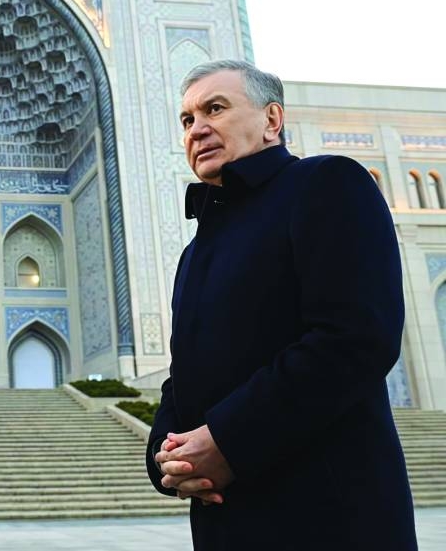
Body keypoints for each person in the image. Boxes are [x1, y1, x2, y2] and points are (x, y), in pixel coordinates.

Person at [146, 60, 417, 550]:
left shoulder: (326, 184)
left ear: (272, 120)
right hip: (229, 521)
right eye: (187, 120)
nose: (198, 128)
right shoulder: (196, 251)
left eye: (215, 109)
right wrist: (169, 456)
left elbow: (355, 338)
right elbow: (184, 373)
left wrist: (228, 440)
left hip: (326, 517)